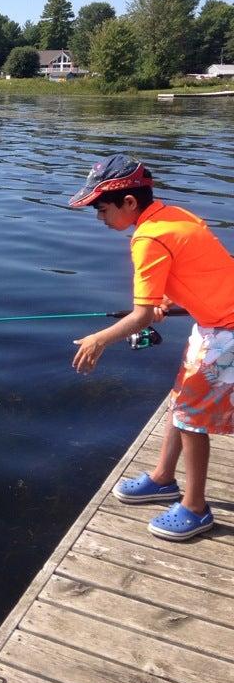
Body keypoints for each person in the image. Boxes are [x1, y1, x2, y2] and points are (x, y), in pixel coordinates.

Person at [68, 154, 234, 541]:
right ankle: (163, 478)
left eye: (102, 209)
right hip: (213, 323)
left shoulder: (148, 238)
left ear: (128, 203)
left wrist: (98, 339)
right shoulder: (172, 215)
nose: (100, 219)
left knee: (192, 418)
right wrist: (168, 301)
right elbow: (202, 271)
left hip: (226, 331)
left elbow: (141, 316)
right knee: (181, 401)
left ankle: (196, 508)